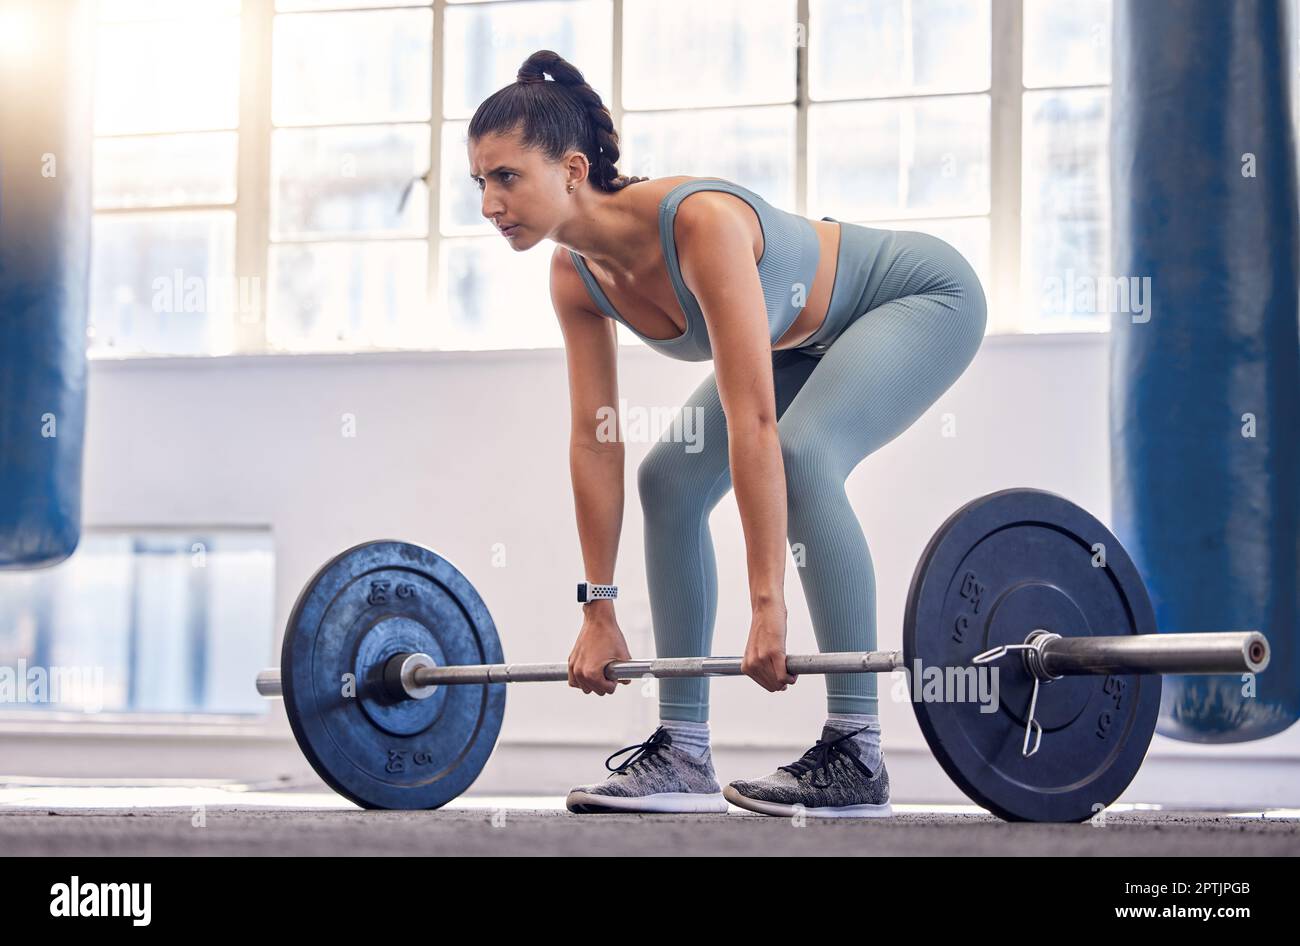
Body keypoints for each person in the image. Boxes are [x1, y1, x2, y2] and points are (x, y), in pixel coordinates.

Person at [467, 49, 987, 818]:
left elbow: (755, 422)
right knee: (666, 482)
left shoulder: (699, 224)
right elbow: (594, 439)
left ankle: (858, 749)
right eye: (479, 182)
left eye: (505, 177)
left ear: (572, 170)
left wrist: (766, 601)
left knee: (804, 453)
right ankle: (682, 750)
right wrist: (598, 608)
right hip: (802, 343)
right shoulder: (573, 275)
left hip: (917, 297)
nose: (489, 203)